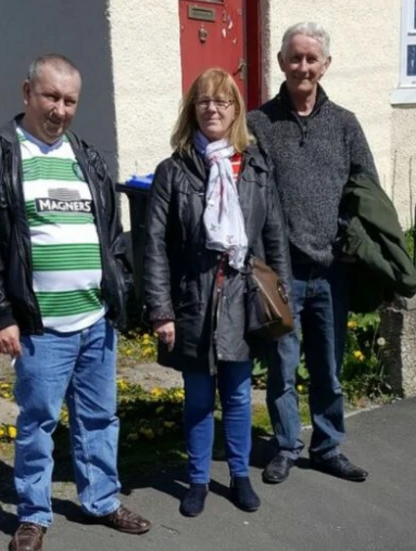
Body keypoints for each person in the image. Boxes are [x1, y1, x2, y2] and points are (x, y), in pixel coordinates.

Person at [0, 54, 150, 551]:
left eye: (70, 101)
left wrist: (119, 292)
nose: (61, 110)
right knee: (38, 422)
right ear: (27, 92)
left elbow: (110, 236)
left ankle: (102, 500)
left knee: (98, 418)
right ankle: (33, 514)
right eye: (51, 96)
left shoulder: (86, 156)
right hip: (40, 326)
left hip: (95, 320)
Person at [143, 68, 290, 517]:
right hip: (194, 302)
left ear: (235, 111)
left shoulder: (256, 167)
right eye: (204, 100)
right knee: (200, 398)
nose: (213, 108)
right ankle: (198, 479)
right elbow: (153, 245)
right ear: (193, 109)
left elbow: (274, 239)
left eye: (223, 101)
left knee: (241, 396)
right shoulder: (173, 170)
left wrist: (284, 300)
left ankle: (240, 475)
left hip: (243, 300)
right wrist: (160, 310)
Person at [248, 22, 372, 485]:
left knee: (329, 368)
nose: (303, 66)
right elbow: (251, 192)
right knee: (282, 368)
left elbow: (366, 188)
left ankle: (327, 446)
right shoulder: (260, 122)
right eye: (295, 57)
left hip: (332, 272)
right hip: (282, 274)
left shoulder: (345, 124)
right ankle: (284, 446)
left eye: (311, 58)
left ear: (325, 65)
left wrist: (351, 240)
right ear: (281, 62)